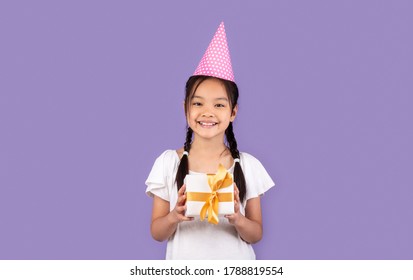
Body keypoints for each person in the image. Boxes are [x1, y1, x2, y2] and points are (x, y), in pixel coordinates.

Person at [145, 22, 274, 259]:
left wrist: (237, 217)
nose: (207, 112)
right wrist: (175, 215)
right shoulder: (167, 163)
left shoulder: (247, 166)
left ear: (233, 112)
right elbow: (157, 232)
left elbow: (255, 234)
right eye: (197, 103)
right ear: (186, 108)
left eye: (219, 105)